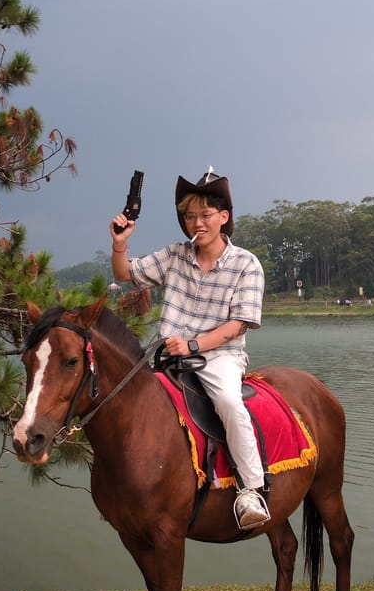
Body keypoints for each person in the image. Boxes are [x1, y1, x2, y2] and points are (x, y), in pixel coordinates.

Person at [111, 169, 269, 530]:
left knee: (228, 401)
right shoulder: (174, 255)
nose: (196, 223)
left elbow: (238, 324)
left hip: (219, 356)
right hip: (169, 355)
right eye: (189, 216)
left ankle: (251, 490)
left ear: (223, 217)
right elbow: (124, 274)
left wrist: (192, 344)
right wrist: (120, 243)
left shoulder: (246, 264)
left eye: (205, 215)